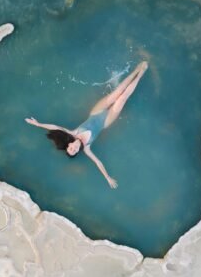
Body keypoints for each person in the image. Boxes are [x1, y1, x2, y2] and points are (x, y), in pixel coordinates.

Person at [25, 61, 148, 189]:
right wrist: (107, 177)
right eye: (74, 152)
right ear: (77, 150)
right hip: (106, 121)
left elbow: (55, 127)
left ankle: (135, 70)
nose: (74, 149)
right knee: (122, 98)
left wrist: (38, 124)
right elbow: (98, 163)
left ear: (70, 144)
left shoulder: (73, 133)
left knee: (118, 92)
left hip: (96, 112)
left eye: (71, 149)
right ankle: (141, 74)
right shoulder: (87, 148)